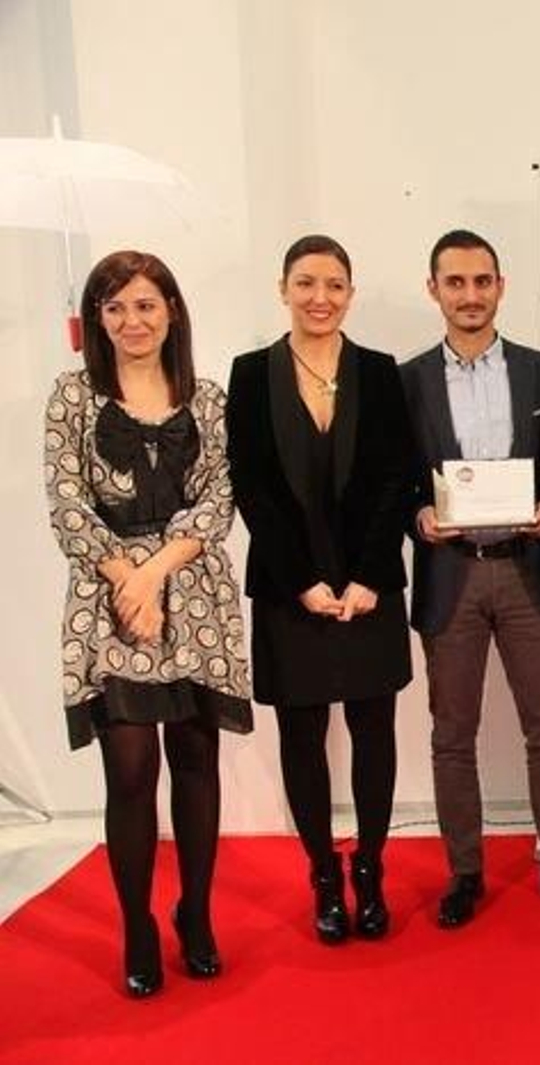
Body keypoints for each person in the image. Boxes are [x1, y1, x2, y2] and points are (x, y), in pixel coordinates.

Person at [44, 250, 252, 997]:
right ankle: (136, 922)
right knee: (130, 770)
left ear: (171, 312)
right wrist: (126, 579)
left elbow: (220, 498)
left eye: (146, 305)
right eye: (116, 308)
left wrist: (156, 571)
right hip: (109, 604)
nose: (133, 320)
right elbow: (67, 504)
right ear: (98, 320)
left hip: (192, 593)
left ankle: (193, 912)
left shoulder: (210, 398)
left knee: (195, 761)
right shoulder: (72, 396)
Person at [400, 229, 540, 927]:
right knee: (451, 732)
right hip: (450, 573)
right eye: (455, 283)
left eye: (482, 281)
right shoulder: (407, 380)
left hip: (526, 570)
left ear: (501, 286)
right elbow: (394, 480)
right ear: (434, 290)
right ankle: (464, 871)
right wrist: (418, 515)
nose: (470, 295)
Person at [226, 235, 414, 945]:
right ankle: (322, 873)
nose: (320, 297)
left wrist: (367, 575)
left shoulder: (378, 370)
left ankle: (369, 866)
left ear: (351, 293)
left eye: (335, 284)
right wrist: (302, 580)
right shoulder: (249, 375)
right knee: (302, 737)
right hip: (287, 588)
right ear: (283, 289)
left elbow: (398, 477)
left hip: (371, 586)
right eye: (306, 283)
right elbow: (253, 487)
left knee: (374, 733)